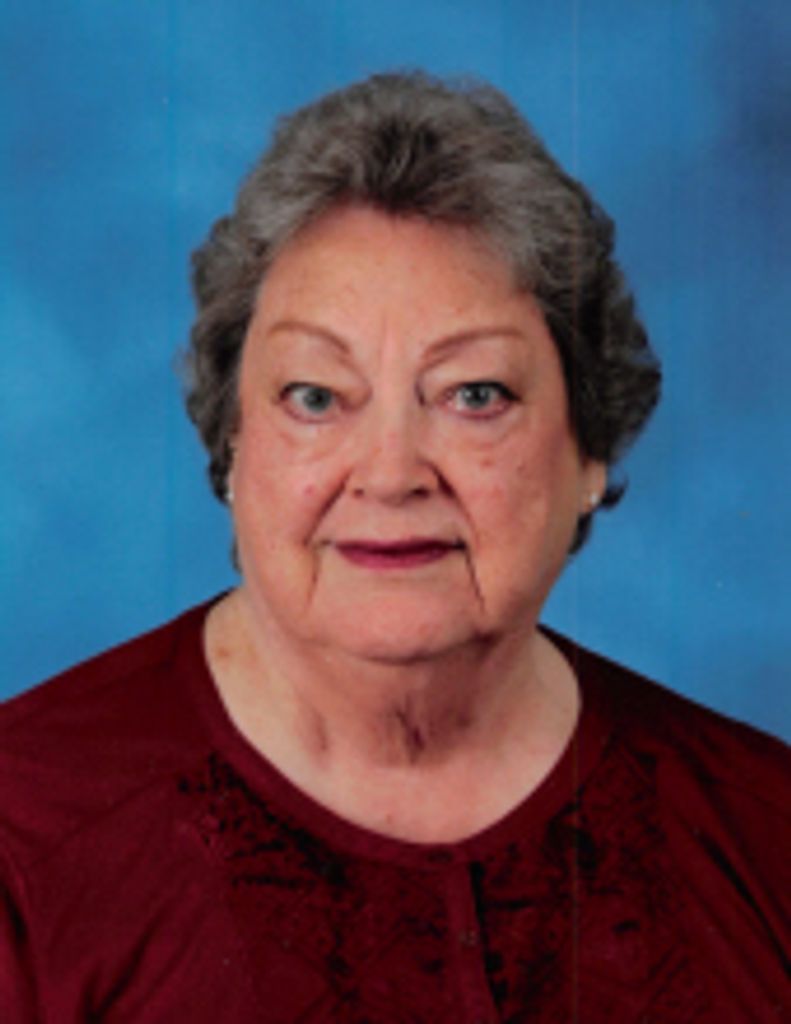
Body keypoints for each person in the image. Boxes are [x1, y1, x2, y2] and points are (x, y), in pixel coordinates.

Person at [1, 71, 788, 1023]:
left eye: (473, 395)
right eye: (315, 397)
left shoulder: (763, 834)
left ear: (589, 448)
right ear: (234, 445)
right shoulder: (22, 838)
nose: (389, 473)